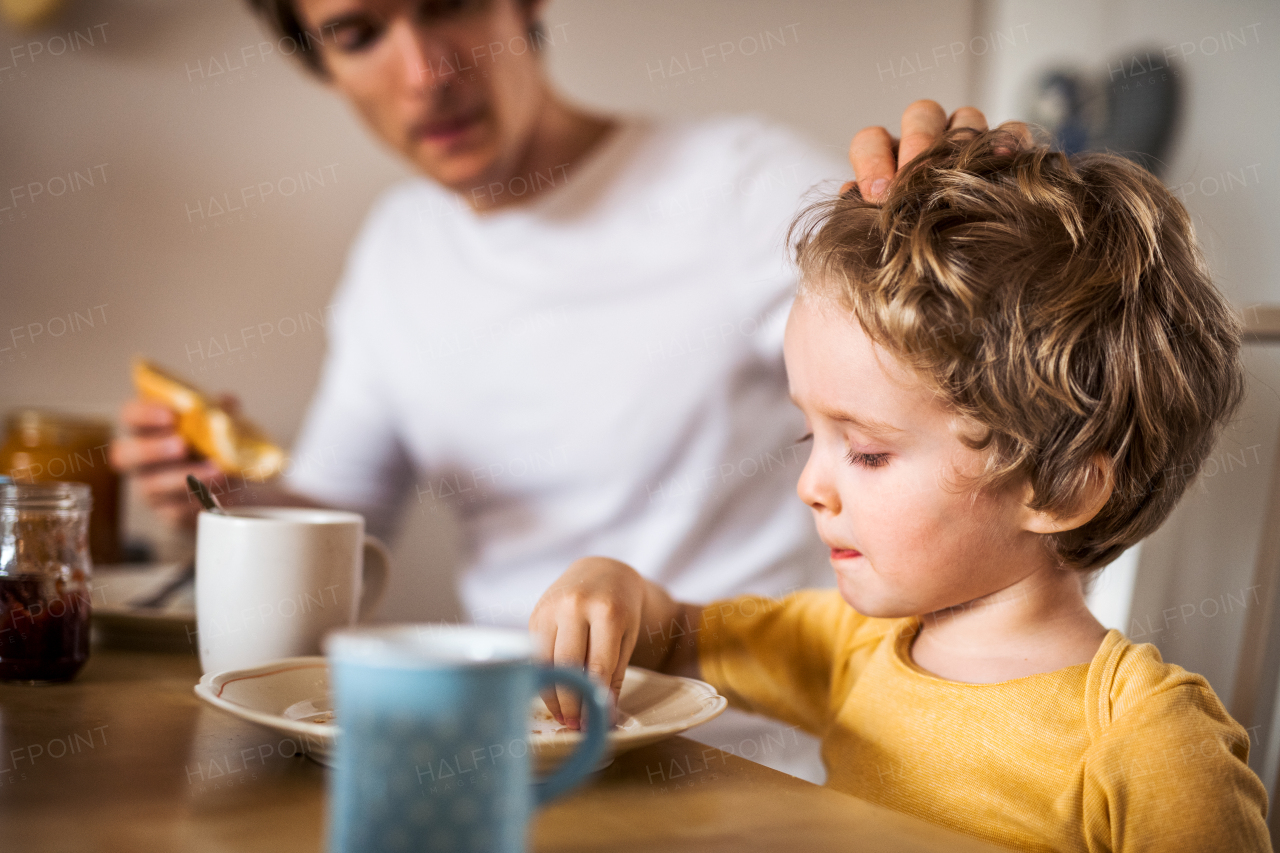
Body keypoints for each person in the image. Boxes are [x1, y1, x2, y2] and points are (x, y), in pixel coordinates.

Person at [108, 0, 988, 781]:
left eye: (448, 6)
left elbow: (961, 391)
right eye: (358, 32)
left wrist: (985, 235)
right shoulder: (398, 254)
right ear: (321, 62)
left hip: (740, 766)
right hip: (503, 762)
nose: (425, 74)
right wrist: (224, 497)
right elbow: (343, 532)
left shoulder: (739, 188)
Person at [528, 126, 1272, 849]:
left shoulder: (1149, 738)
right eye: (807, 435)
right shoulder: (857, 643)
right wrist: (609, 587)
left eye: (869, 452)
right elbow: (675, 636)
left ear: (1062, 486)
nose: (812, 487)